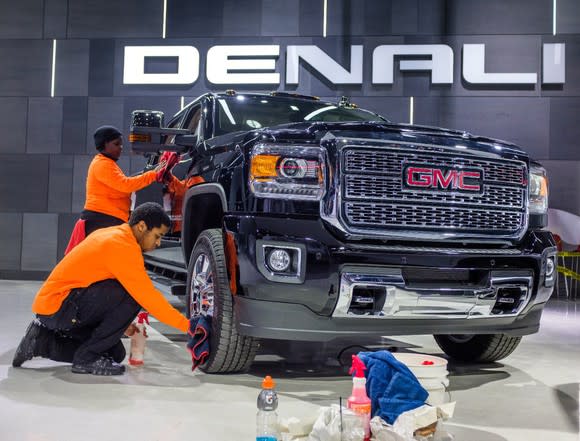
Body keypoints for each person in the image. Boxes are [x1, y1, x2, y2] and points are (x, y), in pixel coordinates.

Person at [12, 202, 191, 376]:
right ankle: (85, 359)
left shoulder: (116, 234)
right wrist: (189, 326)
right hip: (59, 307)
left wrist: (123, 325)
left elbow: (103, 292)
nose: (158, 243)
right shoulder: (122, 245)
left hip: (58, 307)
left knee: (115, 354)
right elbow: (149, 298)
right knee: (133, 296)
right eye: (157, 236)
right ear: (142, 226)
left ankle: (40, 343)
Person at [81, 126, 165, 236]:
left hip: (105, 219)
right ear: (105, 144)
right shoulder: (102, 165)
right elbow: (125, 185)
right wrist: (153, 175)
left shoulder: (106, 163)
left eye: (121, 144)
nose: (120, 147)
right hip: (102, 219)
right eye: (116, 144)